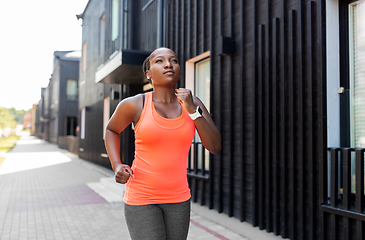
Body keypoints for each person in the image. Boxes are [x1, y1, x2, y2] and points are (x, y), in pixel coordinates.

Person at [104, 47, 221, 240]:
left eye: (173, 60)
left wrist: (192, 110)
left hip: (179, 199)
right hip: (142, 197)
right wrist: (116, 164)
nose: (168, 64)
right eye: (160, 61)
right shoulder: (135, 104)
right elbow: (111, 130)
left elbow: (215, 146)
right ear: (148, 74)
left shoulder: (193, 104)